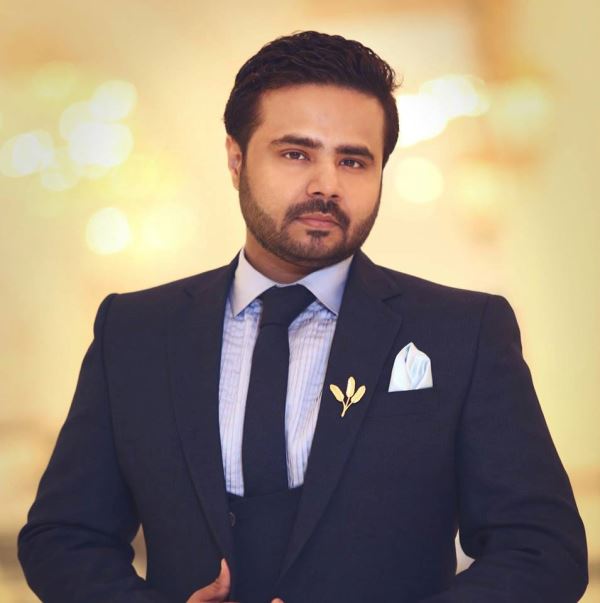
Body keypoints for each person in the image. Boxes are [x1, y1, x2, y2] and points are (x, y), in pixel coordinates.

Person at [18, 31, 587, 603]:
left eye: (353, 161)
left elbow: (543, 552)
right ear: (236, 160)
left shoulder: (463, 331)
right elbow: (64, 536)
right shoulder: (135, 331)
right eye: (296, 154)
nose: (327, 185)